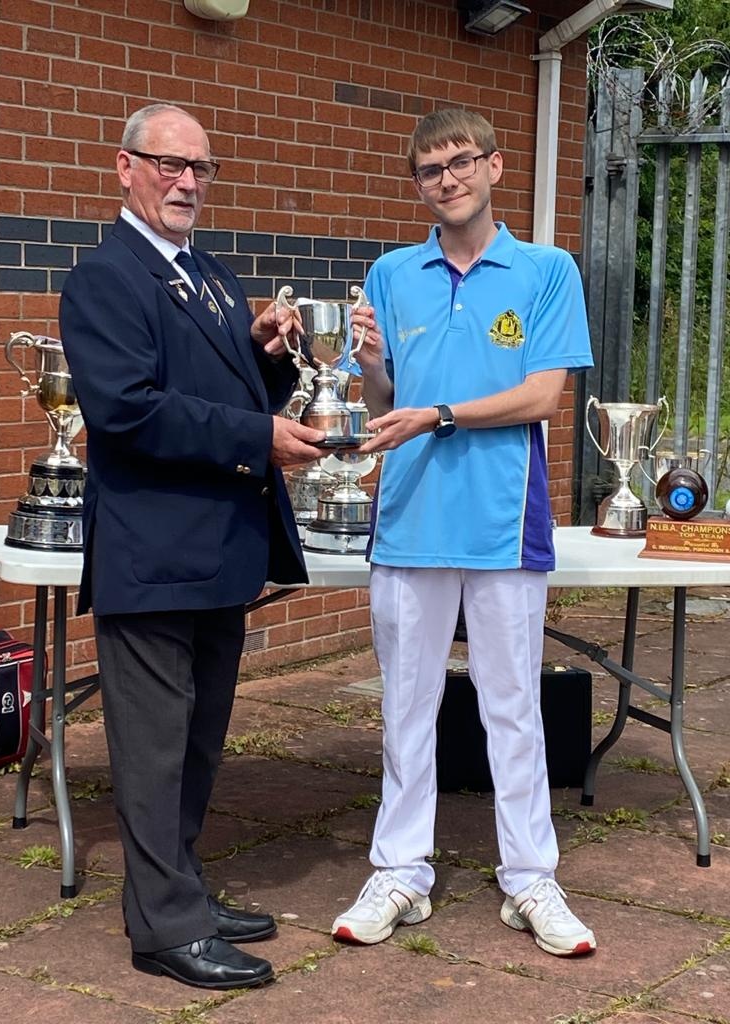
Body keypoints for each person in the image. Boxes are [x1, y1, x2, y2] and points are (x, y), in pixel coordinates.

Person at [59, 103, 325, 991]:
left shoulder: (207, 272)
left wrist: (268, 359)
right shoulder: (106, 277)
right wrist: (259, 437)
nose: (186, 182)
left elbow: (227, 390)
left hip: (217, 551)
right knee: (154, 751)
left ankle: (182, 892)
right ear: (125, 167)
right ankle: (164, 928)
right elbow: (127, 410)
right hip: (153, 554)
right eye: (168, 164)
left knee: (199, 742)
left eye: (200, 168)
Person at [330, 108, 597, 958]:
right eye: (428, 170)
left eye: (460, 163)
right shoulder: (390, 274)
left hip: (501, 523)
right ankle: (400, 872)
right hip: (409, 520)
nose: (446, 180)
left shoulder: (547, 270)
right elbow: (383, 406)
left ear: (493, 166)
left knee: (512, 709)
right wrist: (374, 366)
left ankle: (530, 878)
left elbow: (542, 396)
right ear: (416, 184)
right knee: (405, 709)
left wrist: (438, 413)